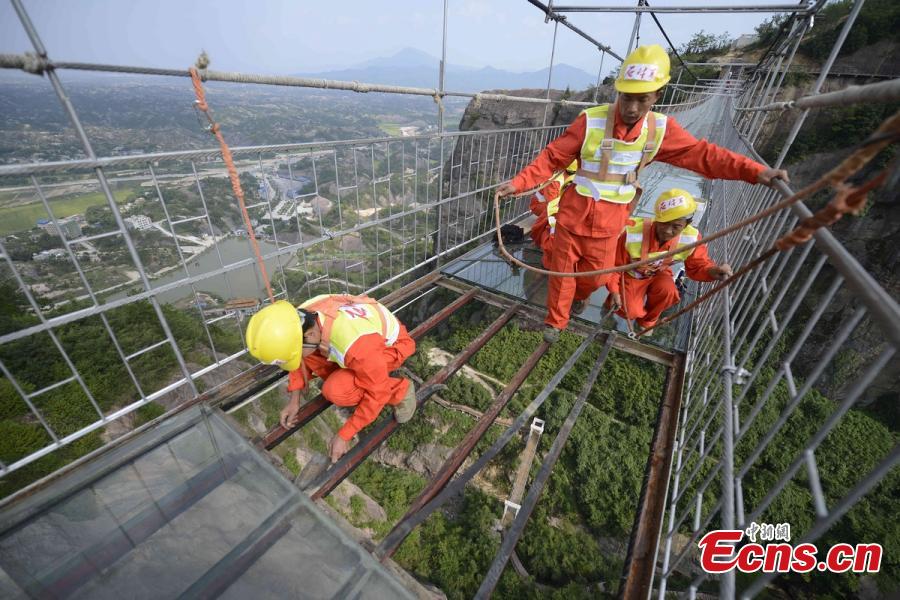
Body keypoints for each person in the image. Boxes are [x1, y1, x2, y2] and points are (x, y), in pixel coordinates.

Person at [496, 44, 788, 343]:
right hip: (573, 215)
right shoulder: (591, 121)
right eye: (626, 97)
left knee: (595, 278)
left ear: (657, 95)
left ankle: (577, 298)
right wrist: (519, 183)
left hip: (609, 225)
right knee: (562, 271)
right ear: (618, 92)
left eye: (642, 99)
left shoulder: (659, 130)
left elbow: (704, 156)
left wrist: (755, 172)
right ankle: (556, 322)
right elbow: (553, 157)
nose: (632, 108)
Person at [245, 294, 416, 462]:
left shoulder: (358, 349)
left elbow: (377, 394)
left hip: (391, 346)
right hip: (361, 333)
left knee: (336, 390)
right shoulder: (300, 319)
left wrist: (344, 435)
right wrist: (294, 399)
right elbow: (299, 355)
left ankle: (401, 390)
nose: (298, 358)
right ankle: (350, 372)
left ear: (311, 334)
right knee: (309, 353)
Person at [606, 189, 732, 333]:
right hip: (631, 275)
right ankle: (614, 302)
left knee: (668, 291)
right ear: (657, 218)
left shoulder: (691, 239)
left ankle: (648, 321)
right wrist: (614, 290)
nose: (667, 231)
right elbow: (614, 267)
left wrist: (712, 271)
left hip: (659, 273)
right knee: (630, 310)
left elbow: (698, 265)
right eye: (664, 223)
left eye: (676, 226)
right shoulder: (632, 233)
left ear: (687, 224)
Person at [528, 160, 578, 268]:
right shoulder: (555, 180)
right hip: (540, 205)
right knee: (547, 220)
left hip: (559, 206)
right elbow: (551, 201)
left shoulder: (572, 177)